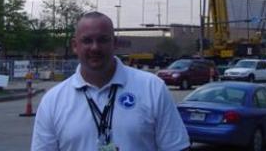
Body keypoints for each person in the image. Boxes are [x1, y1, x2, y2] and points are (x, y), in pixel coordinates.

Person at [31, 11, 190, 151]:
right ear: (75, 45)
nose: (95, 47)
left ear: (115, 43)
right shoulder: (52, 101)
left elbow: (176, 147)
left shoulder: (152, 88)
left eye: (103, 40)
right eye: (87, 40)